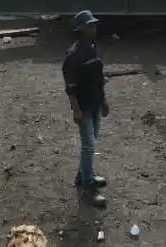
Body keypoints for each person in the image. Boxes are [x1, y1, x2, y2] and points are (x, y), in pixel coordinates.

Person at [63, 10, 109, 207]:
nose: (94, 28)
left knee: (92, 142)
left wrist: (104, 101)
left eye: (94, 24)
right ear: (81, 30)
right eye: (90, 25)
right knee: (89, 145)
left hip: (96, 102)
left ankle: (82, 175)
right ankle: (89, 188)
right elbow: (70, 87)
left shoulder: (94, 48)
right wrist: (75, 110)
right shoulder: (73, 56)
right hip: (83, 106)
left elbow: (99, 79)